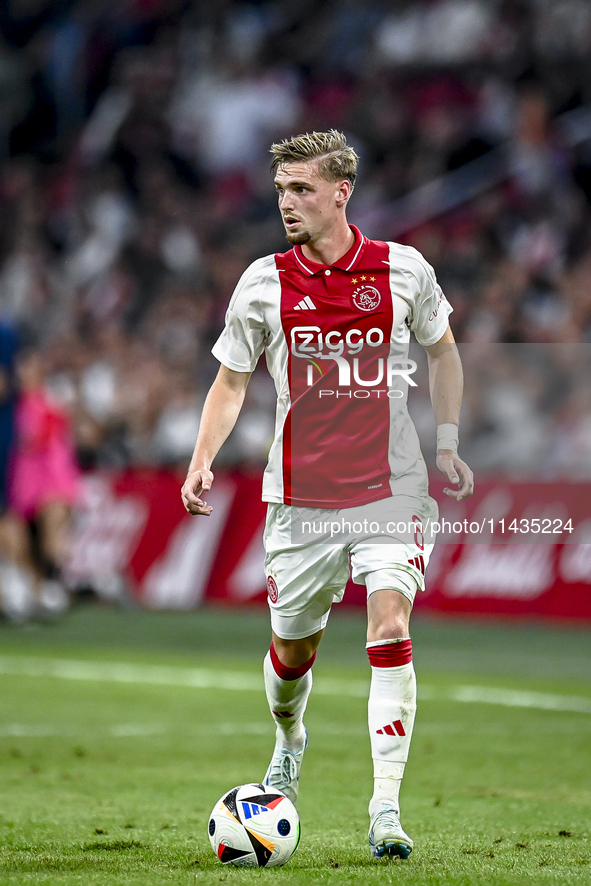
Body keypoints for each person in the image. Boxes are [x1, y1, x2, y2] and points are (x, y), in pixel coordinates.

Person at [182, 130, 473, 859]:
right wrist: (201, 460)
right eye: (280, 190)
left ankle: (384, 810)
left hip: (389, 490)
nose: (287, 203)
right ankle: (289, 741)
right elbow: (231, 380)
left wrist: (445, 439)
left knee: (388, 622)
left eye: (301, 190)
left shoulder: (402, 271)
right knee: (291, 653)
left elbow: (442, 350)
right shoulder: (262, 282)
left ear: (341, 193)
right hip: (301, 500)